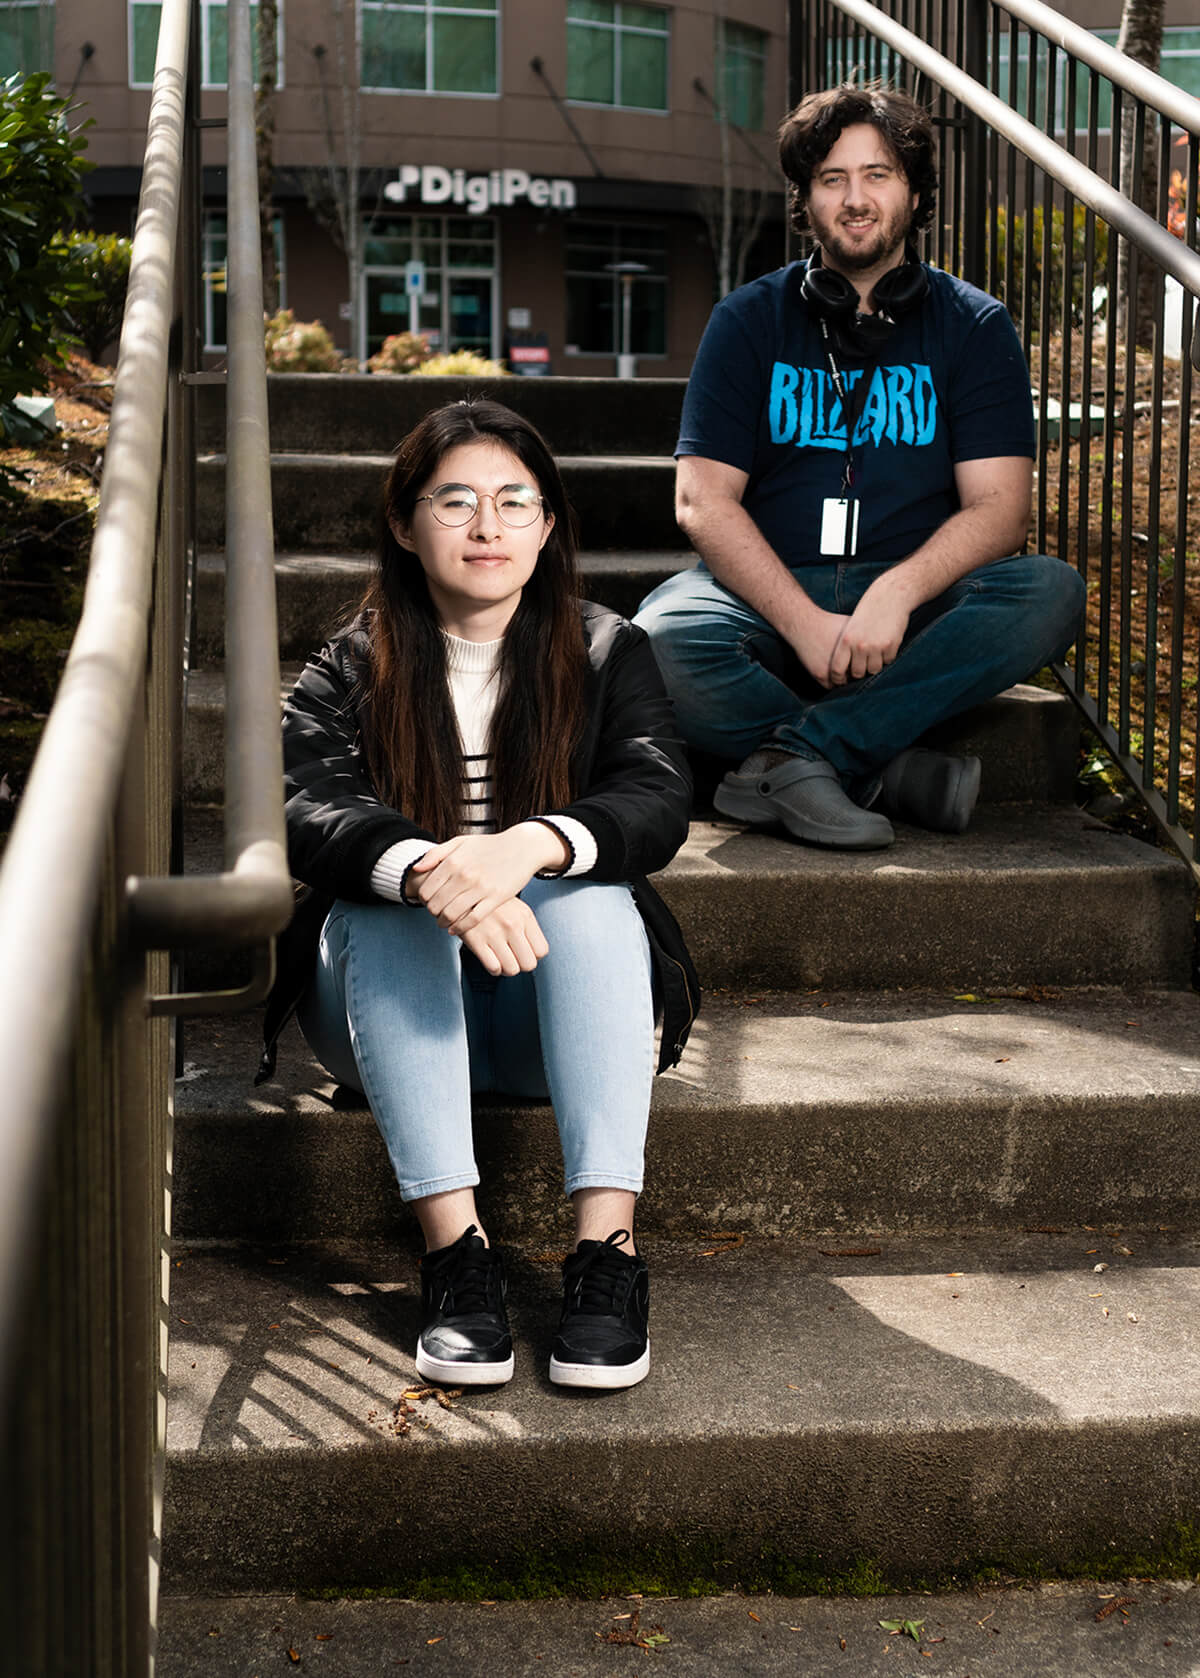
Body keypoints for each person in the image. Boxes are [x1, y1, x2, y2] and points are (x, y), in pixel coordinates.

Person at [269, 398, 698, 1392]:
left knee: (596, 895)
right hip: (386, 1012)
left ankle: (606, 1254)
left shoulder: (604, 651)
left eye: (515, 501)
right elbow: (304, 807)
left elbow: (656, 794)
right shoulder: (349, 668)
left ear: (549, 526)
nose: (487, 526)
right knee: (388, 896)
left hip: (559, 1012)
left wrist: (529, 845)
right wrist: (433, 871)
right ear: (404, 523)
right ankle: (457, 1258)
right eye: (455, 501)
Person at [634, 83, 1086, 850]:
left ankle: (800, 756)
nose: (855, 199)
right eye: (832, 179)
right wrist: (802, 621)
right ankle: (883, 768)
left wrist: (897, 592)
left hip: (913, 603)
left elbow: (1001, 509)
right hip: (769, 591)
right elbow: (703, 503)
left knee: (1050, 592)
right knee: (659, 640)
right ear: (806, 199)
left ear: (914, 192)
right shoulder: (747, 319)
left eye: (877, 174)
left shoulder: (975, 326)